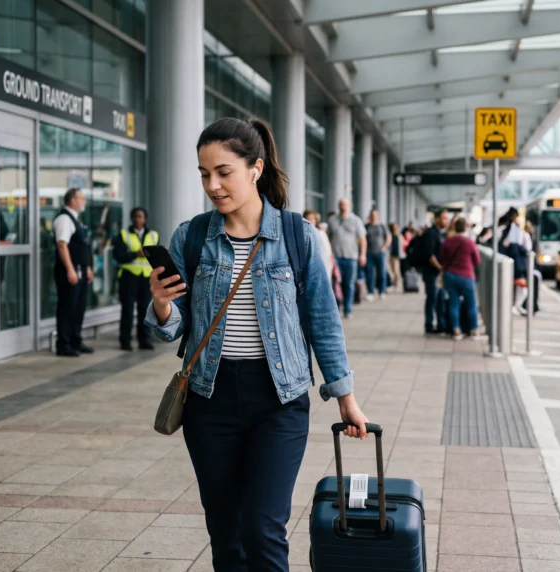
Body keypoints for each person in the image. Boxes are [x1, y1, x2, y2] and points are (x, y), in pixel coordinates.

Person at [146, 117, 369, 572]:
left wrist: (345, 397)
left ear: (255, 168)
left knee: (264, 530)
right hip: (210, 400)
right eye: (204, 174)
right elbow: (174, 328)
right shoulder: (191, 238)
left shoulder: (297, 236)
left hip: (279, 401)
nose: (213, 185)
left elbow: (323, 324)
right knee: (226, 534)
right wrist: (162, 305)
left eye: (223, 172)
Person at [53, 188, 94, 357]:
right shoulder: (64, 219)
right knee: (67, 307)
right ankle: (64, 344)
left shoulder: (76, 219)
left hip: (80, 270)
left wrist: (87, 268)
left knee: (79, 307)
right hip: (70, 271)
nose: (84, 202)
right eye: (81, 199)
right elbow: (62, 245)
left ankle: (75, 340)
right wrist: (70, 269)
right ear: (72, 200)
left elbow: (81, 246)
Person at [112, 207, 159, 351]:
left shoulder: (153, 235)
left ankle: (144, 340)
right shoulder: (123, 234)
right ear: (132, 219)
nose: (139, 219)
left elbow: (157, 256)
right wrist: (135, 254)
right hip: (128, 277)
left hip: (145, 277)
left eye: (141, 217)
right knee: (127, 309)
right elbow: (118, 256)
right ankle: (125, 341)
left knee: (145, 310)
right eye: (136, 217)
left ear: (145, 219)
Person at [440, 217, 482, 341]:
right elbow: (477, 260)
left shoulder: (447, 242)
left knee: (453, 303)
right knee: (471, 304)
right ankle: (474, 330)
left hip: (450, 276)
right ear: (466, 228)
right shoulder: (469, 242)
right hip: (466, 276)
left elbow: (442, 258)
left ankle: (456, 330)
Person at [326, 198, 367, 318]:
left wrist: (363, 255)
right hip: (336, 258)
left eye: (345, 204)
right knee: (336, 284)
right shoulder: (332, 220)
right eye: (341, 204)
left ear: (350, 206)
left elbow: (362, 239)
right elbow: (328, 238)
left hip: (351, 258)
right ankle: (336, 308)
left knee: (349, 284)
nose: (343, 206)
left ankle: (348, 309)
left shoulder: (356, 220)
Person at [422, 210, 450, 334]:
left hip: (439, 273)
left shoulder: (441, 234)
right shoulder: (430, 233)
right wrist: (439, 267)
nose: (446, 221)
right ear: (437, 219)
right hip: (432, 272)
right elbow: (429, 254)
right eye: (444, 218)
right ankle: (429, 324)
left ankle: (441, 324)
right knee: (432, 298)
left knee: (441, 299)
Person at [364, 209, 390, 300]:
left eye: (375, 215)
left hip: (380, 253)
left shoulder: (382, 226)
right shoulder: (366, 226)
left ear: (378, 216)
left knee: (382, 273)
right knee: (370, 273)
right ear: (370, 216)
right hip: (369, 253)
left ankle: (382, 291)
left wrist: (384, 248)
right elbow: (363, 238)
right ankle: (370, 292)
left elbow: (388, 237)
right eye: (372, 215)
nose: (374, 216)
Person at [304, 209, 333, 281]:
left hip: (321, 265)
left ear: (316, 220)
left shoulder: (320, 233)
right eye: (307, 219)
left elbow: (327, 252)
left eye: (312, 219)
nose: (310, 221)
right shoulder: (301, 234)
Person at [387, 222, 403, 291]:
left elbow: (401, 246)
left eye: (396, 227)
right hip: (390, 255)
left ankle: (396, 284)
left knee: (396, 271)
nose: (395, 228)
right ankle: (393, 284)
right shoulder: (390, 235)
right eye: (394, 227)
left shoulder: (399, 236)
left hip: (396, 256)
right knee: (391, 270)